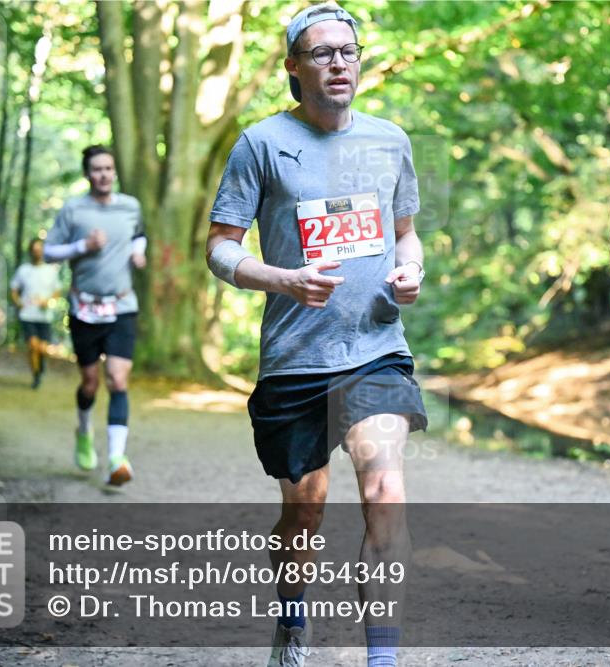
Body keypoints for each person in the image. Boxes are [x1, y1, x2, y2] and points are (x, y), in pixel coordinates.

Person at [207, 4, 427, 666]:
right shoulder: (261, 142)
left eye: (349, 51)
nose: (339, 62)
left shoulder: (390, 140)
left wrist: (410, 269)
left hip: (377, 349)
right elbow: (220, 248)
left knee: (385, 493)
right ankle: (294, 616)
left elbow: (408, 231)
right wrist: (283, 280)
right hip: (295, 361)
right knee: (305, 513)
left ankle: (382, 656)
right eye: (323, 52)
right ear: (294, 67)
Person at [44, 145, 147, 486]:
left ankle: (117, 458)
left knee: (117, 379)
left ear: (114, 171)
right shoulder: (74, 210)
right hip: (84, 308)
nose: (103, 174)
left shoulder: (130, 206)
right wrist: (81, 247)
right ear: (87, 174)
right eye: (97, 169)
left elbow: (139, 234)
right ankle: (84, 430)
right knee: (90, 382)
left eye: (108, 168)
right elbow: (47, 252)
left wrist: (138, 252)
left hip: (121, 305)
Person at [10, 237, 62, 389]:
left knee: (43, 348)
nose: (37, 252)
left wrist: (48, 301)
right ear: (31, 251)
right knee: (33, 346)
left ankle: (41, 364)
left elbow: (57, 291)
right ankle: (36, 375)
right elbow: (14, 289)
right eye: (34, 250)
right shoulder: (23, 270)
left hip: (44, 316)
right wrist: (18, 302)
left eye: (40, 249)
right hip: (27, 314)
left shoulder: (50, 271)